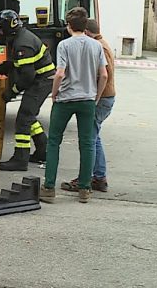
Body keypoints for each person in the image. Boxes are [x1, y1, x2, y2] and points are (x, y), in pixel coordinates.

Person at [40, 8, 108, 204]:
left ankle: (49, 188)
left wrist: (54, 94)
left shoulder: (64, 45)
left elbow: (60, 73)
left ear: (69, 26)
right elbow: (103, 74)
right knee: (87, 144)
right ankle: (85, 189)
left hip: (65, 99)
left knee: (54, 142)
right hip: (87, 99)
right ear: (85, 26)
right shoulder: (96, 46)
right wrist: (96, 95)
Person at [0, 10, 55, 171]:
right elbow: (17, 64)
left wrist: (11, 92)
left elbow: (27, 77)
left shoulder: (22, 43)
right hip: (41, 79)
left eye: (0, 29)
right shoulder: (18, 38)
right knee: (29, 115)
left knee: (23, 118)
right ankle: (43, 150)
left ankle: (20, 158)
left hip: (42, 81)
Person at [61, 18, 115, 193]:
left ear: (87, 33)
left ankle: (90, 178)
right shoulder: (101, 44)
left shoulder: (99, 47)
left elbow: (104, 75)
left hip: (101, 99)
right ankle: (98, 176)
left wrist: (94, 98)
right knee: (93, 137)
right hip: (104, 98)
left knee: (88, 141)